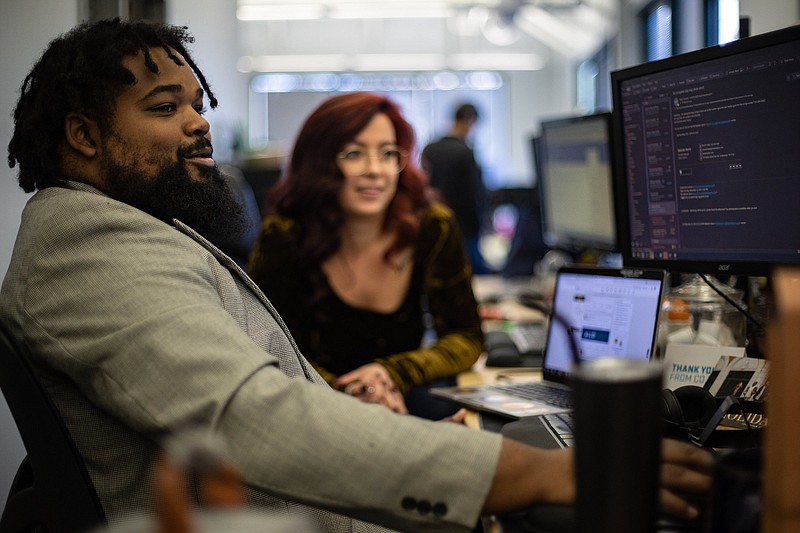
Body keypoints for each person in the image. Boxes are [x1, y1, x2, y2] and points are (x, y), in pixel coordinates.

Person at [1, 18, 712, 532]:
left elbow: (270, 374)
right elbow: (251, 419)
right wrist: (540, 471)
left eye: (198, 103)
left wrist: (411, 414)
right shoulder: (92, 242)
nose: (199, 124)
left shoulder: (141, 226)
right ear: (84, 135)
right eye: (165, 107)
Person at [247, 92, 482, 419]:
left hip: (399, 395)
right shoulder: (284, 236)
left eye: (388, 154)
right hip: (312, 403)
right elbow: (266, 346)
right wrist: (349, 393)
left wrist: (391, 374)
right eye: (354, 153)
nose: (375, 170)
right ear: (320, 162)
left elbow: (466, 336)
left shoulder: (431, 226)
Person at [422, 103, 489, 274]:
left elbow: (425, 187)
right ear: (470, 120)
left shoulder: (430, 148)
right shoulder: (465, 152)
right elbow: (473, 195)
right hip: (465, 228)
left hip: (434, 226)